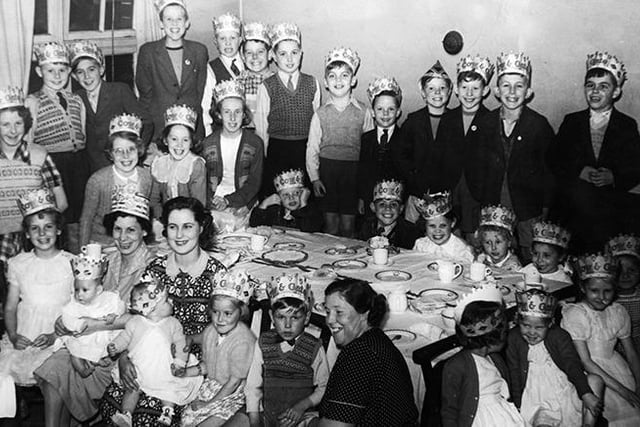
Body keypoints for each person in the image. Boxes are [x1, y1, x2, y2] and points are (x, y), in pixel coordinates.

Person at [99, 196, 228, 425]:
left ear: (201, 227)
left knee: (149, 418)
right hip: (147, 356)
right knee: (114, 403)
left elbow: (223, 332)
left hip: (189, 366)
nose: (179, 235)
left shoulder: (216, 274)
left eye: (187, 226)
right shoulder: (155, 269)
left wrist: (188, 341)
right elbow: (136, 322)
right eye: (172, 227)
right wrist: (124, 358)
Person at [34, 191, 155, 427]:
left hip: (125, 348)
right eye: (118, 229)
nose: (123, 237)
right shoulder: (109, 260)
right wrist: (64, 324)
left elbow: (142, 317)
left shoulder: (152, 265)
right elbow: (86, 298)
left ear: (144, 231)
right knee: (54, 369)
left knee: (58, 369)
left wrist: (92, 326)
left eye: (131, 230)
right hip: (92, 341)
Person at [552, 52, 640, 254]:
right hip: (574, 209)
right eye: (590, 85)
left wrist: (614, 177)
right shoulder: (572, 122)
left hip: (609, 212)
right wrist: (579, 171)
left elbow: (636, 165)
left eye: (603, 86)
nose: (595, 91)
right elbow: (555, 157)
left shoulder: (626, 125)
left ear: (616, 92)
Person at [473, 52, 555, 263]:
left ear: (528, 92)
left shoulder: (539, 125)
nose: (512, 92)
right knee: (494, 258)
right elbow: (475, 166)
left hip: (528, 209)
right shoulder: (485, 123)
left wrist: (543, 209)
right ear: (497, 91)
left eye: (518, 86)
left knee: (530, 261)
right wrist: (483, 198)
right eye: (506, 86)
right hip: (493, 207)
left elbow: (549, 172)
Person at [318, 278, 418, 425]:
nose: (330, 320)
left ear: (364, 314)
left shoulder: (360, 355)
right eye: (327, 312)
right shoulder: (376, 340)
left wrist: (309, 422)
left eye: (339, 312)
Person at [0, 86, 66, 305]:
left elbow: (61, 202)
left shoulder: (39, 155)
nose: (12, 130)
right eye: (5, 124)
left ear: (26, 124)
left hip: (30, 239)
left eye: (18, 123)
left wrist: (37, 229)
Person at [0, 188, 73, 387]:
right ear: (27, 233)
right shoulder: (19, 263)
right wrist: (14, 335)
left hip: (60, 334)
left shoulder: (71, 263)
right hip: (26, 333)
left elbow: (77, 307)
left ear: (58, 230)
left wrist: (56, 335)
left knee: (52, 371)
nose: (42, 233)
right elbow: (10, 307)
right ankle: (15, 410)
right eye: (35, 228)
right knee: (7, 374)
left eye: (48, 226)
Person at [107, 276, 203, 427]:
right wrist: (115, 346)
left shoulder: (173, 323)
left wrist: (179, 362)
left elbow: (181, 343)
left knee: (170, 390)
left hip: (164, 369)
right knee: (132, 389)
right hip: (140, 369)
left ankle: (167, 414)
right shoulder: (135, 322)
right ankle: (126, 415)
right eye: (166, 301)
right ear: (151, 307)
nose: (171, 302)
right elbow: (125, 337)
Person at [561, 253, 640, 425]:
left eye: (608, 291)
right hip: (589, 373)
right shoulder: (576, 314)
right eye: (594, 291)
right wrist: (623, 390)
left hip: (617, 368)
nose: (602, 297)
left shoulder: (618, 311)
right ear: (583, 288)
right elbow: (585, 361)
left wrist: (638, 383)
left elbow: (632, 353)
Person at [507, 289, 603, 426]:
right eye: (526, 325)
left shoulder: (560, 336)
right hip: (533, 393)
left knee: (595, 381)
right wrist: (517, 404)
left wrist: (585, 393)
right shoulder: (514, 337)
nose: (532, 332)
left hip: (560, 386)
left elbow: (572, 365)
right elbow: (514, 372)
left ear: (550, 324)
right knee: (543, 420)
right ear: (518, 321)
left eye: (539, 327)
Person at [26, 41, 88, 250]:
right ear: (39, 71)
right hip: (53, 166)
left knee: (79, 217)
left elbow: (83, 136)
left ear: (69, 71)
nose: (57, 75)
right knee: (56, 216)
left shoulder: (76, 100)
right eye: (50, 70)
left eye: (62, 70)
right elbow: (29, 142)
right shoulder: (33, 101)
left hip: (78, 164)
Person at [246, 273, 329, 427]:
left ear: (307, 317)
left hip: (300, 417)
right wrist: (255, 420)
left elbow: (324, 387)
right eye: (281, 317)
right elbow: (252, 386)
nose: (288, 325)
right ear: (271, 316)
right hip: (266, 413)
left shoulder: (314, 347)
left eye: (295, 318)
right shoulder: (263, 343)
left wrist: (302, 406)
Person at [306, 47, 373, 237]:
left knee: (348, 225)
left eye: (344, 75)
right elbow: (312, 148)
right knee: (331, 225)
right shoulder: (320, 113)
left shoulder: (363, 111)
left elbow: (369, 150)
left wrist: (364, 186)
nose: (338, 81)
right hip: (328, 172)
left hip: (353, 174)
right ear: (326, 82)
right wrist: (315, 178)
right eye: (333, 76)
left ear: (353, 80)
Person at [176, 269, 256, 426]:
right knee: (186, 420)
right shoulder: (212, 331)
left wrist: (209, 404)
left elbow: (233, 383)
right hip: (212, 386)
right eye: (215, 312)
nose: (220, 319)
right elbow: (208, 365)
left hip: (231, 395)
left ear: (241, 312)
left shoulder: (243, 342)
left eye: (227, 313)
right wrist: (186, 372)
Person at [441, 284, 525, 427]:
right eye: (505, 333)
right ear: (493, 338)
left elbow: (505, 389)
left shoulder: (495, 358)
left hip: (502, 415)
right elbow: (449, 409)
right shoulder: (457, 365)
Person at [255, 22, 321, 197]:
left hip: (304, 149)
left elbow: (317, 124)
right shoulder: (267, 86)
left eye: (294, 53)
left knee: (303, 199)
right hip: (278, 150)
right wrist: (266, 158)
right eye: (283, 54)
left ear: (301, 54)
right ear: (274, 57)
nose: (289, 59)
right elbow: (262, 128)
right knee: (278, 197)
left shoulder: (312, 83)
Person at [433, 55, 494, 240]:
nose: (469, 94)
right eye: (464, 88)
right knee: (451, 235)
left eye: (475, 88)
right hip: (450, 187)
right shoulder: (448, 119)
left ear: (485, 91)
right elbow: (439, 157)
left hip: (476, 190)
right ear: (457, 91)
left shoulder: (490, 120)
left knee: (474, 237)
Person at [69, 40, 153, 172]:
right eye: (80, 72)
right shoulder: (76, 98)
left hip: (122, 162)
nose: (87, 76)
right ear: (74, 76)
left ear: (101, 69)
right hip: (92, 166)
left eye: (91, 70)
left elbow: (146, 122)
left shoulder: (119, 90)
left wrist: (135, 150)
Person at [79, 113, 159, 247]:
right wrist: (84, 250)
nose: (126, 156)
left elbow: (153, 205)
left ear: (139, 150)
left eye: (131, 150)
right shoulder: (98, 180)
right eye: (119, 151)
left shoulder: (146, 177)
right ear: (110, 153)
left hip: (135, 241)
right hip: (104, 242)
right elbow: (87, 218)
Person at [137, 0, 208, 143]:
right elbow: (145, 94)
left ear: (187, 23)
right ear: (161, 24)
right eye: (169, 19)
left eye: (179, 19)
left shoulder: (199, 51)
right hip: (159, 129)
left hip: (191, 127)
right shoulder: (148, 52)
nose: (174, 24)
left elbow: (199, 91)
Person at [202, 80, 263, 232]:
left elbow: (255, 182)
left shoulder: (255, 143)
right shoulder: (207, 144)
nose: (233, 118)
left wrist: (231, 201)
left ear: (244, 114)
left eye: (238, 112)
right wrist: (213, 201)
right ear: (218, 114)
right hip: (214, 201)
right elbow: (202, 180)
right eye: (227, 112)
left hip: (243, 200)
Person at [395, 61, 452, 223]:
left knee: (440, 231)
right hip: (417, 194)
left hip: (444, 195)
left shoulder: (454, 121)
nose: (437, 92)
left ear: (449, 92)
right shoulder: (413, 121)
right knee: (411, 231)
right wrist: (415, 182)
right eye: (431, 88)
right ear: (423, 92)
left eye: (442, 88)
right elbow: (401, 156)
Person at [57, 251, 124, 377]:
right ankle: (82, 370)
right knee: (74, 350)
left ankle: (102, 359)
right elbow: (67, 315)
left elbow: (120, 307)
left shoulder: (108, 298)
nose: (79, 294)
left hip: (102, 335)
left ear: (98, 290)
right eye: (77, 289)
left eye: (85, 290)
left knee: (112, 343)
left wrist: (114, 315)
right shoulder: (74, 303)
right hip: (82, 336)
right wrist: (77, 324)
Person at [357, 76, 404, 214]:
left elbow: (406, 174)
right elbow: (363, 171)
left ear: (398, 112)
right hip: (371, 201)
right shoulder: (366, 138)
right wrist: (361, 198)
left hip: (394, 203)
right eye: (380, 109)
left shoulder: (405, 138)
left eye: (390, 109)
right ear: (372, 112)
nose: (385, 113)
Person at [151, 104, 207, 209]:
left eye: (185, 140)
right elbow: (154, 201)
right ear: (165, 140)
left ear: (191, 143)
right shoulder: (159, 164)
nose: (179, 145)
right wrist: (160, 220)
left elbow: (198, 204)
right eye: (174, 139)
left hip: (189, 217)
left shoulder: (195, 165)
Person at [201, 12, 244, 136]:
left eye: (232, 38)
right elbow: (205, 106)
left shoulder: (249, 64)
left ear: (240, 40)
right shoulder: (211, 69)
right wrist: (209, 134)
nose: (228, 43)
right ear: (215, 41)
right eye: (222, 38)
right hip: (221, 132)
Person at [249, 169, 322, 232]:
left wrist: (303, 204)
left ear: (303, 194)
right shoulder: (275, 210)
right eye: (286, 195)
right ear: (279, 197)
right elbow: (254, 225)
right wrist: (264, 205)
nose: (291, 198)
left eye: (296, 193)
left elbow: (310, 229)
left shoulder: (311, 210)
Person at [357, 179, 421, 250]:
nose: (388, 208)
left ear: (401, 209)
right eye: (382, 204)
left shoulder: (410, 232)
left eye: (393, 204)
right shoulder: (366, 225)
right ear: (373, 207)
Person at [413, 191, 474, 264]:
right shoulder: (421, 245)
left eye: (443, 226)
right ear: (425, 225)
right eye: (432, 226)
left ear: (452, 223)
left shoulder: (461, 250)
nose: (437, 231)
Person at [606, 235, 640, 357]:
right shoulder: (605, 298)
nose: (625, 276)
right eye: (619, 272)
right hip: (613, 350)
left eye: (631, 271)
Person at [237, 22, 274, 129]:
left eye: (260, 52)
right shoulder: (239, 82)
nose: (255, 57)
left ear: (270, 54)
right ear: (242, 56)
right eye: (249, 53)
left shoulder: (276, 82)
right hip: (247, 134)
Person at [477, 204, 521, 272]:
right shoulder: (482, 259)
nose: (493, 248)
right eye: (488, 242)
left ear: (509, 242)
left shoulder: (514, 266)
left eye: (498, 242)